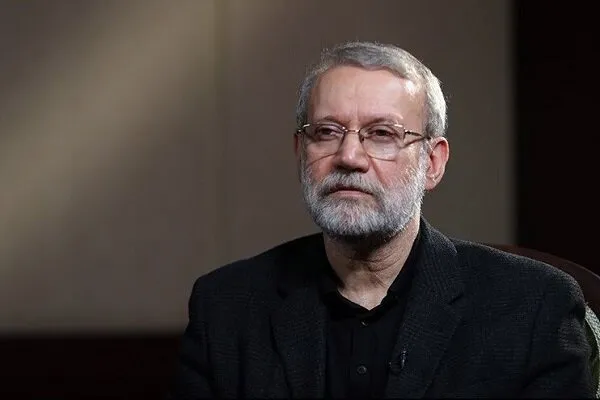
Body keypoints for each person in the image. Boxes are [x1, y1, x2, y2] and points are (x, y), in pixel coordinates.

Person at [168, 41, 594, 398]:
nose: (349, 157)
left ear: (432, 163)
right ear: (300, 153)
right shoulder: (225, 307)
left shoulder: (535, 306)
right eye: (327, 132)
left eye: (383, 134)